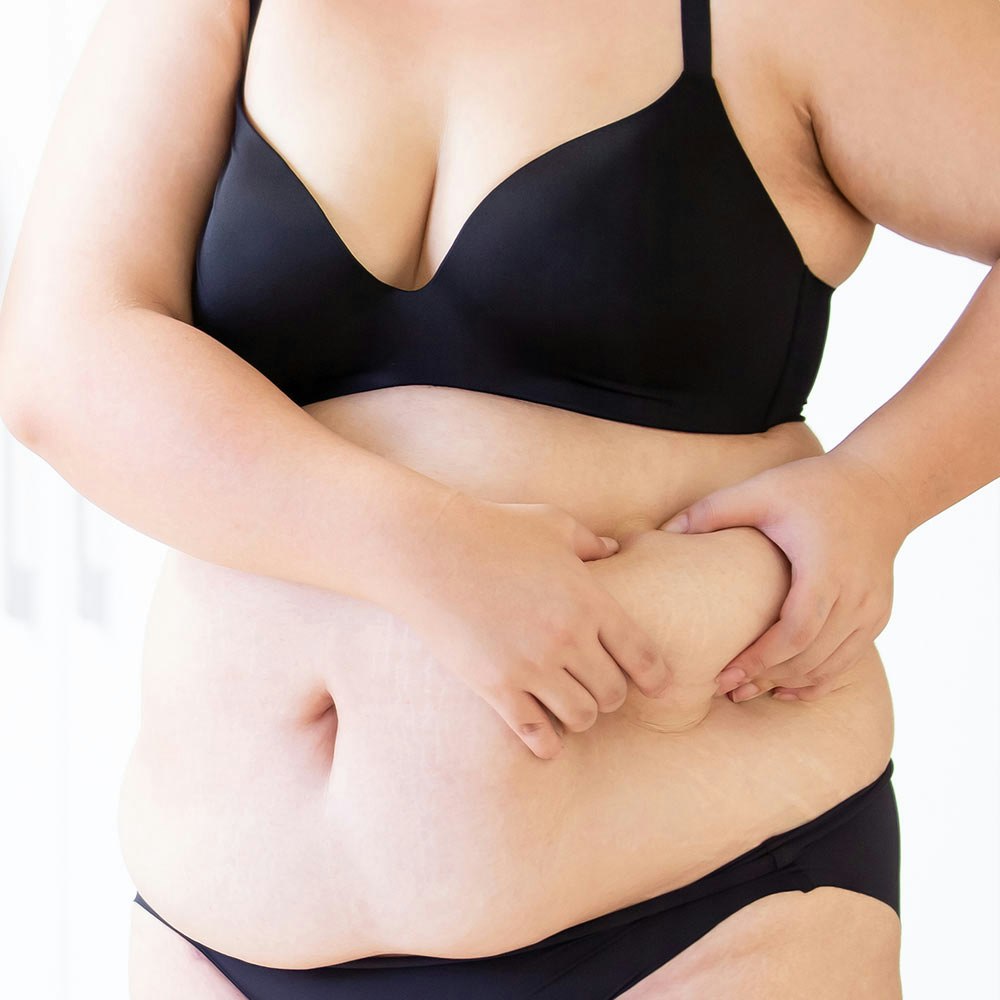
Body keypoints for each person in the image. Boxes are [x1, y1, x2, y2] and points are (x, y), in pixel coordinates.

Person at [1, 0, 997, 996]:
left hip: (704, 918)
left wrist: (881, 488)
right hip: (213, 936)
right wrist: (433, 554)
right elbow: (61, 358)